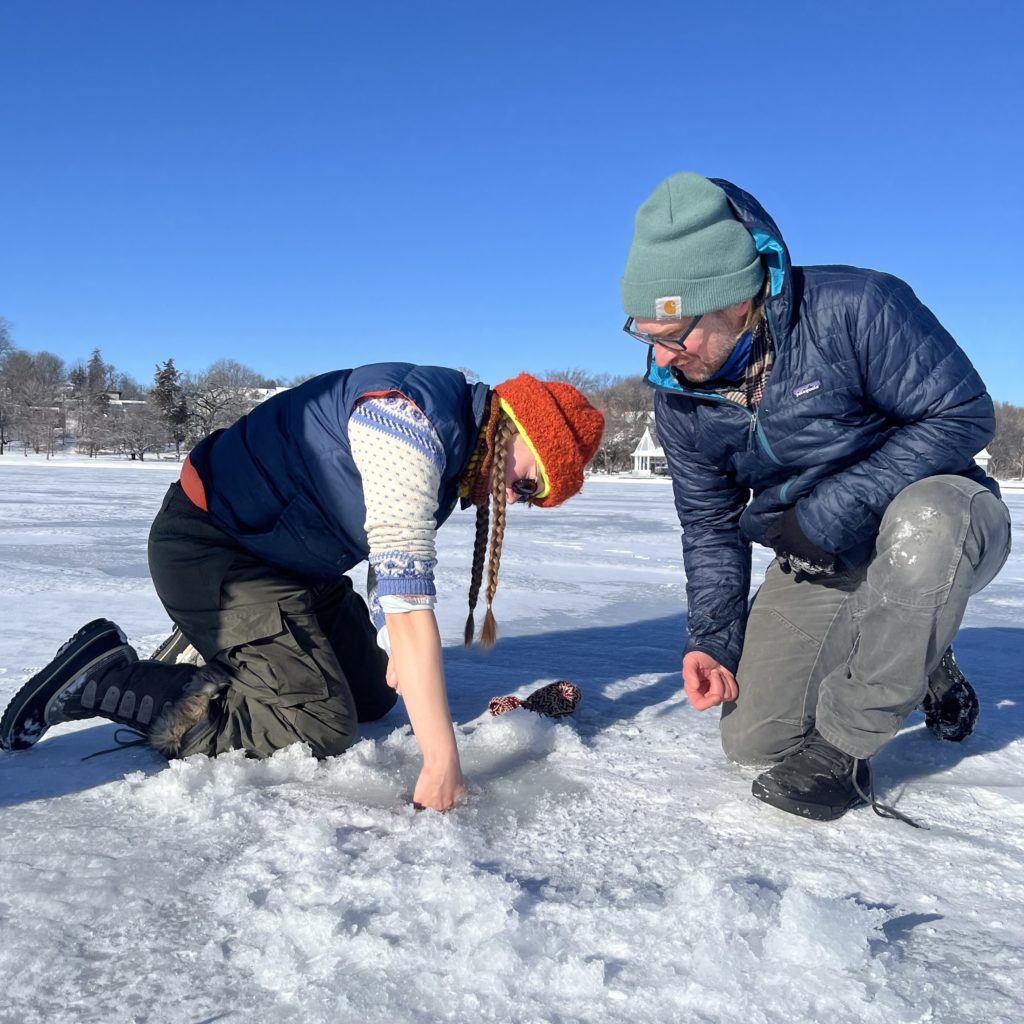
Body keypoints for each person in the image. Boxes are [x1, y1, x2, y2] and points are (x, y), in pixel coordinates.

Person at [0, 364, 604, 811]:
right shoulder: (410, 427)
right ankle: (105, 679)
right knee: (315, 722)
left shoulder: (456, 449)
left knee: (372, 696)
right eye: (529, 484)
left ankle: (226, 651)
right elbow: (408, 598)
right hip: (213, 549)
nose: (514, 501)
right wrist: (442, 763)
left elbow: (387, 564)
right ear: (520, 428)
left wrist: (399, 651)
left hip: (288, 566)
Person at [620, 172, 1012, 823]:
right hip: (823, 561)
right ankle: (921, 651)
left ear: (735, 301)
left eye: (674, 331)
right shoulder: (679, 400)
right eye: (645, 334)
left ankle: (845, 748)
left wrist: (834, 511)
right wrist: (713, 643)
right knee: (754, 741)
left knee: (926, 525)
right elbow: (710, 527)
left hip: (940, 528)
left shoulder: (857, 307)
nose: (662, 355)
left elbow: (962, 415)